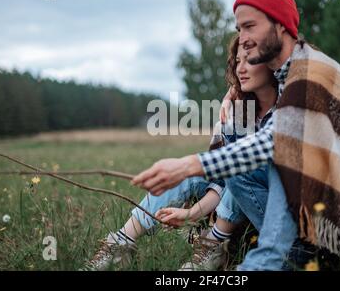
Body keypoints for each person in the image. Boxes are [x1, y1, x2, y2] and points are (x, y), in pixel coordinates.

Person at [133, 0, 340, 271]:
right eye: (239, 30)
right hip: (335, 222)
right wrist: (234, 93)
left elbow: (275, 141)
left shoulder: (312, 73)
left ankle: (259, 252)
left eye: (250, 27)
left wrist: (189, 164)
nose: (244, 39)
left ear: (281, 26)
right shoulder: (289, 73)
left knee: (270, 163)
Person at [82, 35, 284, 271]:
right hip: (231, 205)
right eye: (237, 61)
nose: (240, 69)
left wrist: (192, 213)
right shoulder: (236, 113)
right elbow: (221, 182)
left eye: (249, 61)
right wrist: (190, 213)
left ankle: (214, 244)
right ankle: (121, 244)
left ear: (271, 63)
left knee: (240, 163)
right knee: (186, 173)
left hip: (268, 209)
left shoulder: (291, 107)